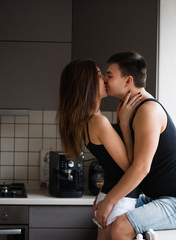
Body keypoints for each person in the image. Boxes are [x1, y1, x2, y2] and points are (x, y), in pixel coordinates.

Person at [94, 52, 176, 240]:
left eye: (110, 75)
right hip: (158, 197)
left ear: (128, 81)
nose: (105, 79)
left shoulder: (148, 111)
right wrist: (104, 198)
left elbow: (141, 168)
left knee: (118, 228)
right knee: (106, 219)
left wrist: (109, 200)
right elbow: (126, 162)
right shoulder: (128, 109)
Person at [57, 59, 142, 240]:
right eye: (97, 75)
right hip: (120, 202)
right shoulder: (98, 122)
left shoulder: (87, 122)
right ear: (85, 85)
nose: (104, 78)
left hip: (108, 197)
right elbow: (129, 166)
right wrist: (125, 125)